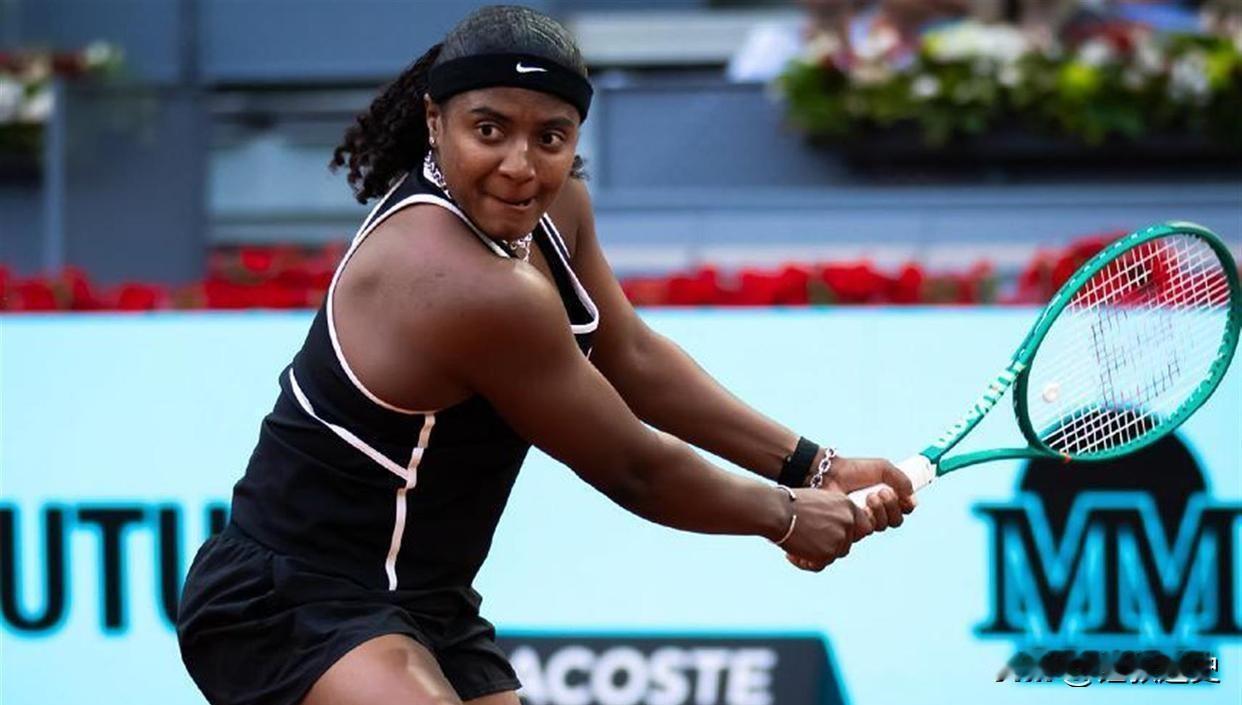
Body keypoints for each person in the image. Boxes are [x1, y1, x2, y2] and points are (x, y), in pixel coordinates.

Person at [176, 5, 917, 705]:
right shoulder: (462, 283)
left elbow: (632, 356)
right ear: (434, 121)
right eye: (488, 130)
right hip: (290, 599)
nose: (520, 165)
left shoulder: (558, 211)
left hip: (425, 597)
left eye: (551, 137)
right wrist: (785, 516)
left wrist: (813, 466)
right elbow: (634, 467)